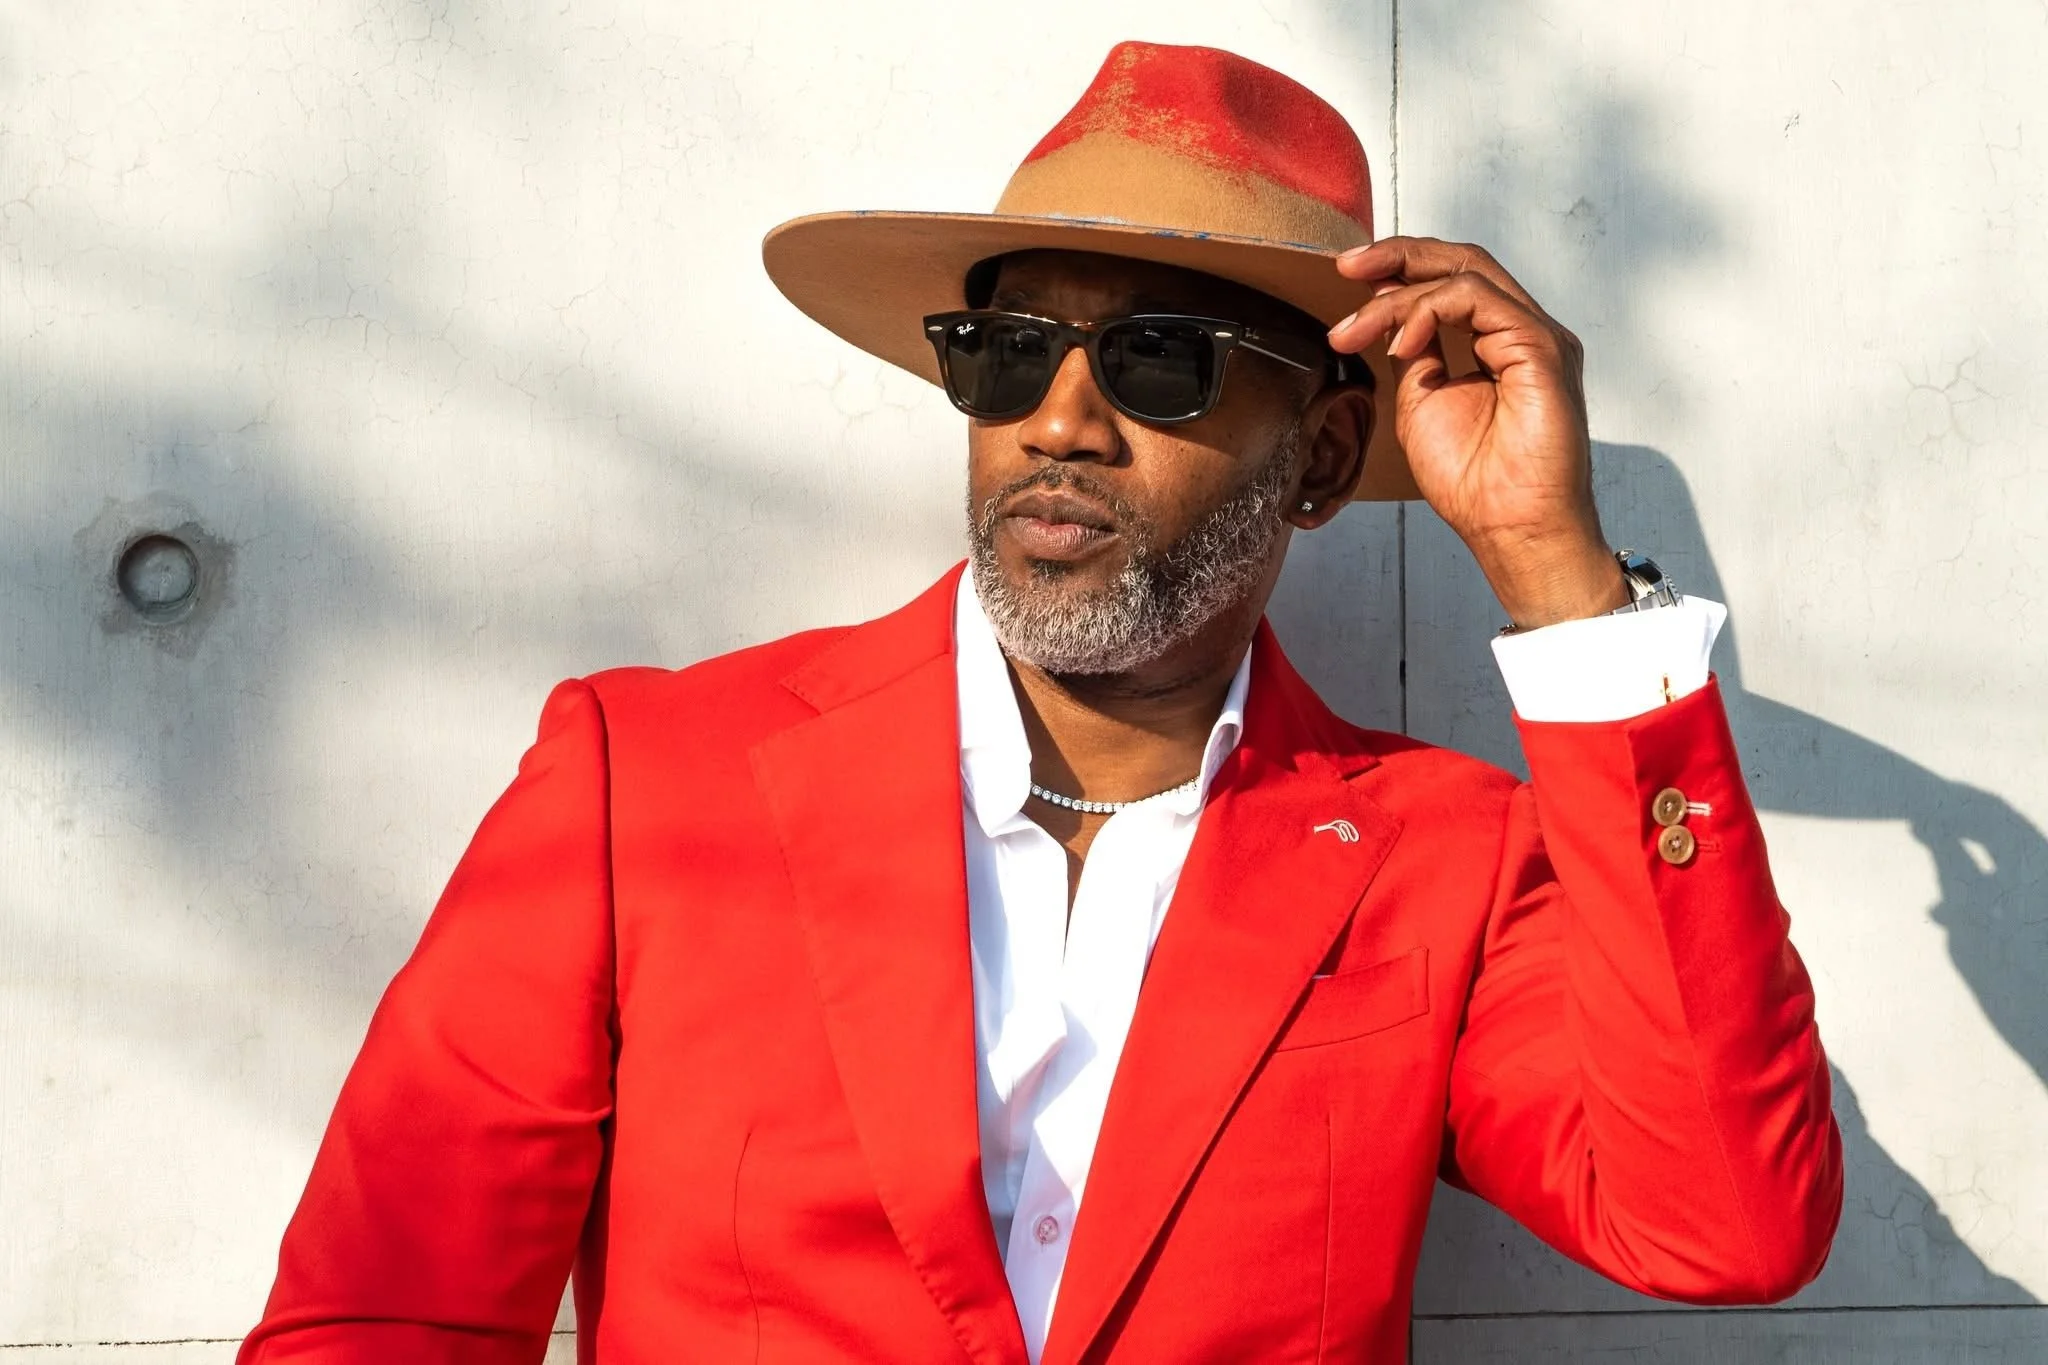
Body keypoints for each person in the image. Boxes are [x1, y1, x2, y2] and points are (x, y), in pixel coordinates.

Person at [239, 39, 1842, 1365]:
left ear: (1327, 459)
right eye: (1008, 354)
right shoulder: (644, 783)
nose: (1059, 420)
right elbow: (386, 1316)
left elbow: (1722, 1222)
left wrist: (1554, 574)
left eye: (1159, 360)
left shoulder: (1445, 858)